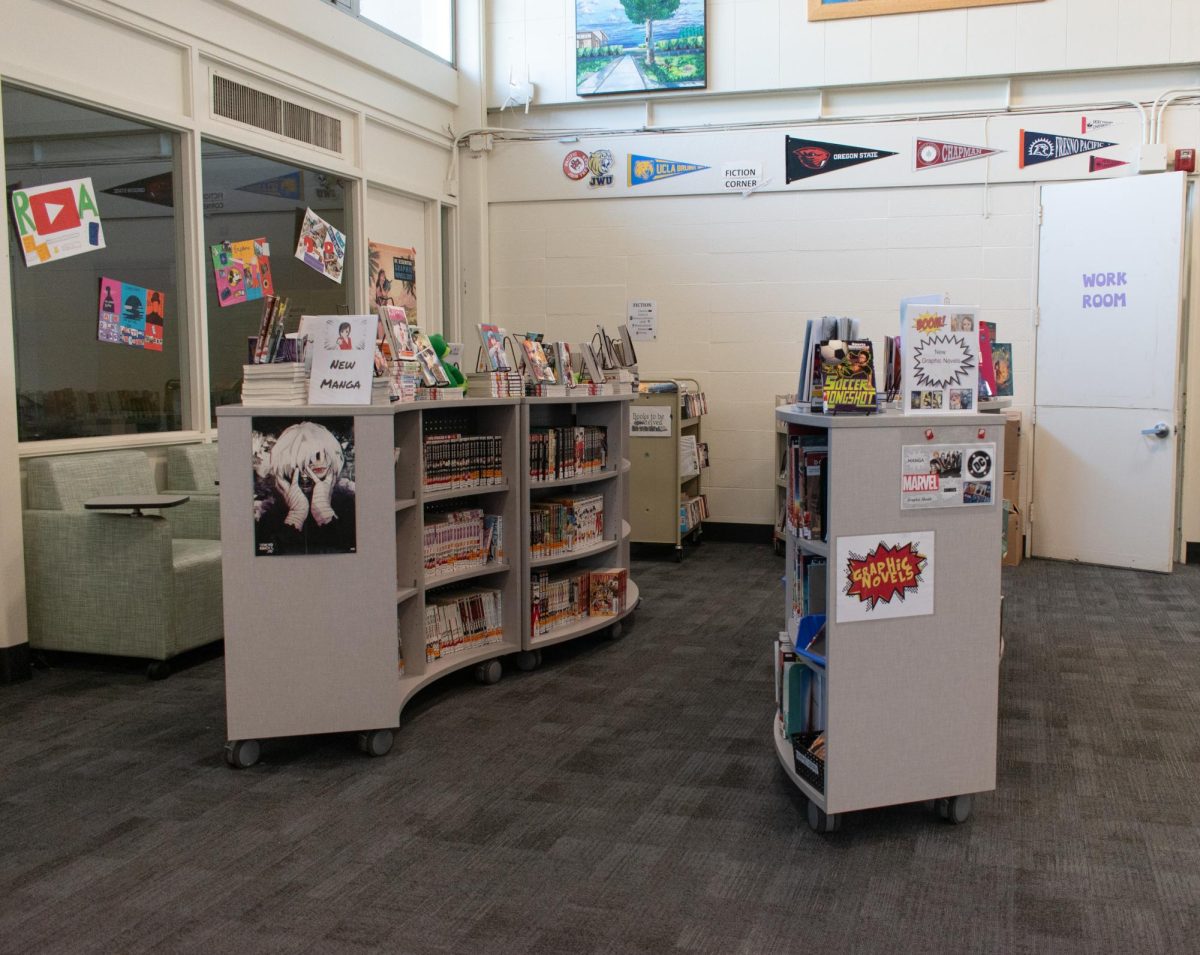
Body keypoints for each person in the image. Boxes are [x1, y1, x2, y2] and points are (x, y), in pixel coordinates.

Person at [253, 421, 356, 555]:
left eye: (316, 467)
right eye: (297, 468)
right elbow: (267, 557)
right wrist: (296, 514)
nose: (306, 476)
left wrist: (324, 511)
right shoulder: (268, 514)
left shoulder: (350, 505)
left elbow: (351, 552)